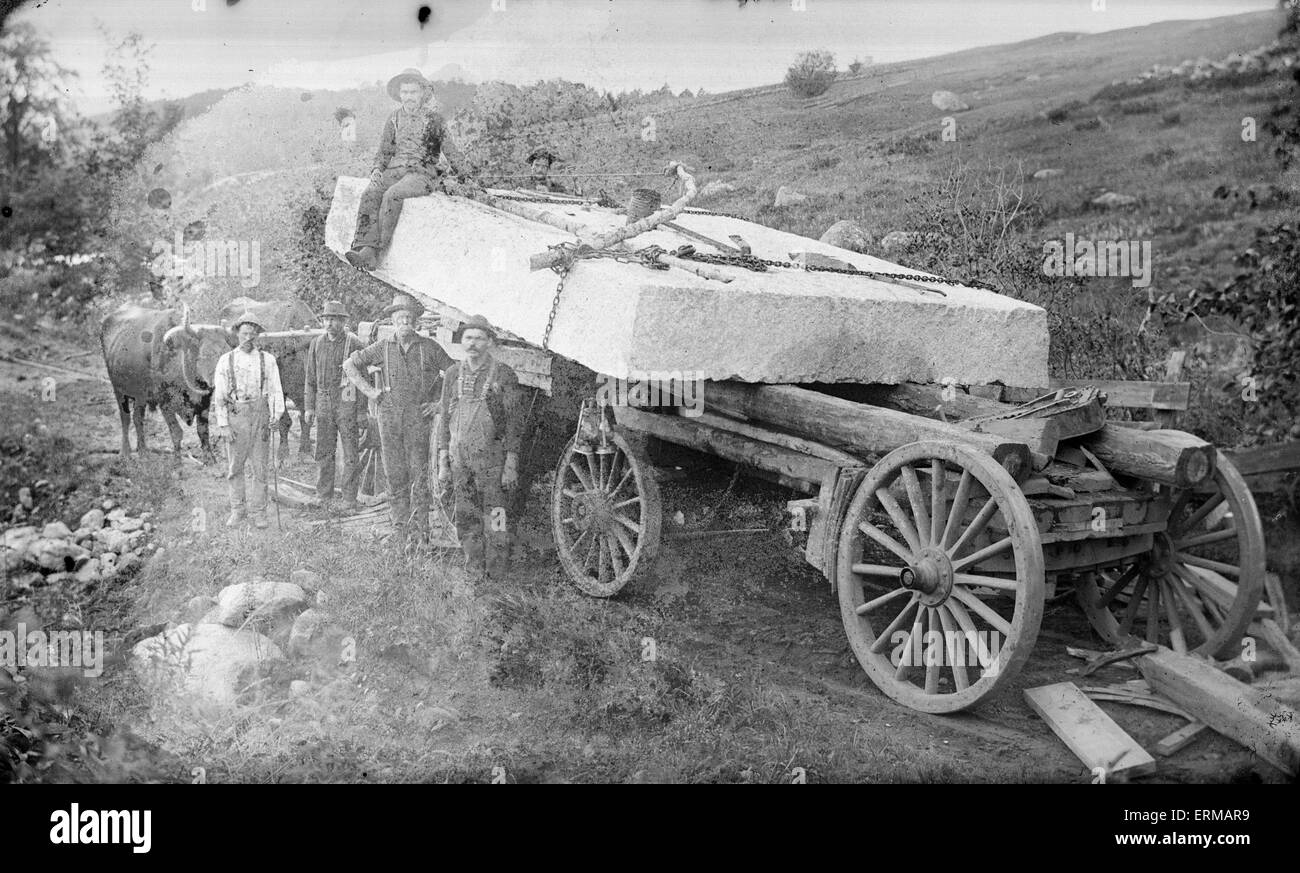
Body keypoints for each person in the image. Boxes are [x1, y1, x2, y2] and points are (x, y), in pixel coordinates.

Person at [342, 292, 452, 542]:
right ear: (392, 320)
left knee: (418, 475)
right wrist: (370, 391)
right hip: (389, 417)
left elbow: (455, 375)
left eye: (409, 319)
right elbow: (349, 366)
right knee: (394, 475)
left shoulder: (429, 348)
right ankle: (400, 530)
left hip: (417, 419)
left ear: (416, 322)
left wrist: (438, 405)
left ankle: (420, 533)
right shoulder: (383, 347)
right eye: (400, 318)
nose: (405, 323)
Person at [345, 68, 470, 271]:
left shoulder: (434, 120)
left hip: (423, 174)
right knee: (371, 192)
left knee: (393, 195)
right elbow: (384, 151)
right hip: (395, 170)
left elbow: (451, 150)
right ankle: (363, 247)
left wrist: (466, 175)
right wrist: (377, 169)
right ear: (400, 95)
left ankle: (376, 252)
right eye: (405, 92)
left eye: (413, 92)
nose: (409, 97)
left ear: (422, 93)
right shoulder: (394, 119)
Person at [436, 314, 523, 582]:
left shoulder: (504, 375)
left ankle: (497, 572)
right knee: (466, 515)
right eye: (468, 338)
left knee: (496, 516)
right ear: (462, 341)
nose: (473, 343)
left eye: (479, 338)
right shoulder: (453, 374)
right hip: (460, 460)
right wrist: (443, 462)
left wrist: (511, 464)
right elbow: (444, 419)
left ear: (489, 342)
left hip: (492, 462)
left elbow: (514, 424)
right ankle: (474, 567)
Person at [212, 312, 286, 529]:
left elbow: (275, 391)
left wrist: (275, 416)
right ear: (237, 334)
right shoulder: (226, 360)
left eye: (252, 335)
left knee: (260, 468)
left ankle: (259, 512)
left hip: (260, 416)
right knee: (235, 467)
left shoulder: (268, 360)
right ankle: (238, 510)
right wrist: (224, 424)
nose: (248, 338)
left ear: (258, 337)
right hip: (237, 416)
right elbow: (220, 396)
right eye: (244, 334)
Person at [303, 300, 365, 511]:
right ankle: (323, 494)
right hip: (323, 401)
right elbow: (310, 378)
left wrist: (362, 412)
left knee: (350, 452)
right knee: (324, 450)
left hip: (347, 401)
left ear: (343, 321)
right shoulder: (316, 344)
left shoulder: (354, 344)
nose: (329, 324)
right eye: (327, 319)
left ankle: (349, 498)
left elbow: (364, 379)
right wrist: (309, 407)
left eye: (334, 320)